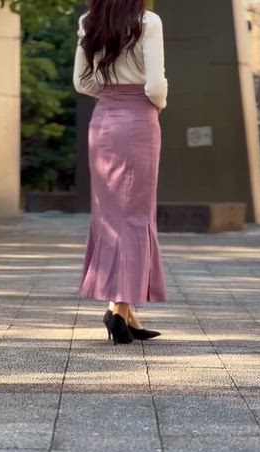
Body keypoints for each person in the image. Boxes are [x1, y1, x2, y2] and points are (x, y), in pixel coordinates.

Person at [73, 0, 168, 345]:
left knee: (111, 216)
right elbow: (154, 86)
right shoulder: (148, 22)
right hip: (138, 120)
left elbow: (81, 82)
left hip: (103, 122)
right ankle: (118, 310)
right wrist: (156, 104)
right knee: (135, 216)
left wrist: (111, 95)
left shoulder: (89, 21)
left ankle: (125, 315)